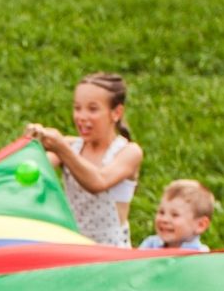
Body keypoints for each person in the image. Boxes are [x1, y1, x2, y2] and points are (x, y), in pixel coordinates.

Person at [27, 72, 144, 247]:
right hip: (75, 247)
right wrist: (31, 145)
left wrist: (60, 147)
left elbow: (98, 182)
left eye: (92, 109)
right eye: (77, 108)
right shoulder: (70, 147)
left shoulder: (128, 152)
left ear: (116, 113)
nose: (81, 116)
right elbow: (34, 169)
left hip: (112, 255)